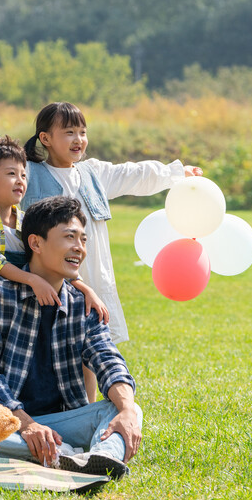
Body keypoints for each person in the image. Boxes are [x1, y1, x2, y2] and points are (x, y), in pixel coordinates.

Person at [0, 196, 142, 479]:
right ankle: (65, 454)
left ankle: (101, 459)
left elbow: (108, 359)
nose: (79, 248)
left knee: (125, 407)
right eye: (69, 237)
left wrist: (127, 410)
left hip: (61, 420)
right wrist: (26, 424)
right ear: (35, 243)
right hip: (5, 423)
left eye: (83, 240)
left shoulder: (84, 303)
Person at [21, 102, 202, 354]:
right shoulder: (29, 173)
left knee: (95, 341)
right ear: (45, 138)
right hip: (50, 278)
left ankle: (94, 392)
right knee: (53, 341)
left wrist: (176, 173)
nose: (78, 139)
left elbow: (134, 174)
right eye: (69, 132)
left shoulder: (93, 172)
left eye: (82, 132)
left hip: (94, 271)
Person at [0, 136, 109, 320]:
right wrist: (32, 280)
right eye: (12, 174)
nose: (20, 181)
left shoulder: (26, 220)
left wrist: (85, 289)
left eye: (23, 175)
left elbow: (53, 258)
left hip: (34, 301)